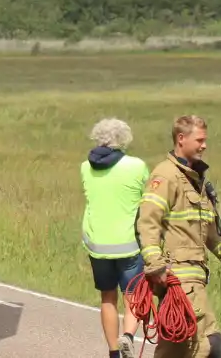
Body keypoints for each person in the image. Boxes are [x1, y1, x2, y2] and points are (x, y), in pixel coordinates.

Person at [137, 115, 221, 358]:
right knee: (204, 346)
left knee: (194, 346)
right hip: (177, 279)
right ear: (181, 139)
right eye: (199, 140)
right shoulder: (165, 176)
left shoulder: (195, 180)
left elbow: (210, 231)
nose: (204, 145)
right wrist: (156, 265)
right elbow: (148, 223)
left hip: (194, 280)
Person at [80, 118, 147, 358]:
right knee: (134, 297)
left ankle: (113, 352)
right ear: (124, 139)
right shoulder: (136, 166)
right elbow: (146, 199)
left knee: (107, 297)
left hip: (97, 243)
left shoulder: (85, 167)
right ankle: (128, 336)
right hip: (128, 243)